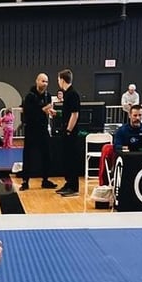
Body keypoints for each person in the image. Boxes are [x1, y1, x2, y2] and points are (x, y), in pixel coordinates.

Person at [20, 73, 57, 191]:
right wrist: (42, 110)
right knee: (28, 155)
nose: (45, 84)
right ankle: (25, 181)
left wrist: (50, 112)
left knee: (47, 154)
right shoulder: (29, 96)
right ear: (37, 81)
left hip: (43, 128)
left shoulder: (48, 96)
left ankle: (45, 179)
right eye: (43, 81)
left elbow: (46, 110)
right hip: (31, 129)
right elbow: (28, 113)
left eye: (46, 82)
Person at [56, 69, 81, 197]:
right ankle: (68, 183)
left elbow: (75, 114)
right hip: (66, 131)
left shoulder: (73, 94)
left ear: (62, 80)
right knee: (66, 158)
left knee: (71, 159)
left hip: (70, 132)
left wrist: (68, 130)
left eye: (58, 79)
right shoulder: (67, 94)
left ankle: (73, 186)